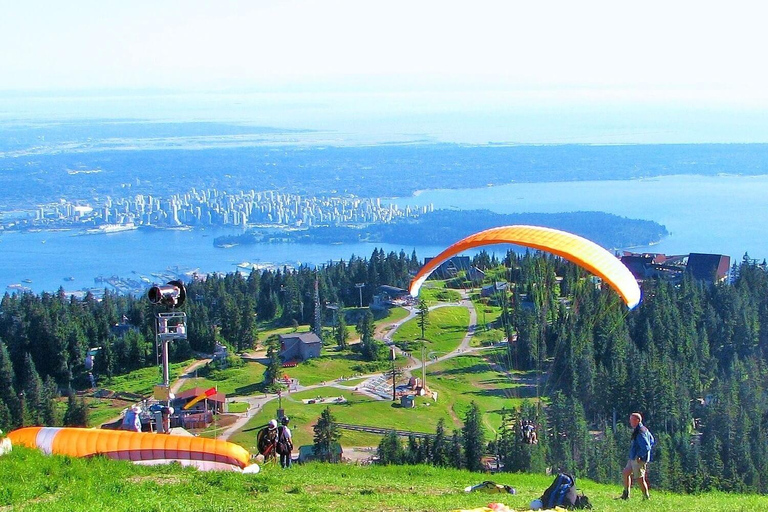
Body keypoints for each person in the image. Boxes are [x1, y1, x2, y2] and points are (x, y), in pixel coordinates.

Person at [621, 412, 654, 500]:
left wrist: (639, 455)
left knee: (640, 479)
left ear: (638, 420)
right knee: (625, 473)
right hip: (633, 457)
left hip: (638, 459)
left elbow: (646, 447)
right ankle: (626, 494)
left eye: (632, 420)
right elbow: (652, 440)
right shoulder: (642, 429)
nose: (630, 421)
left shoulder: (640, 431)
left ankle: (646, 497)